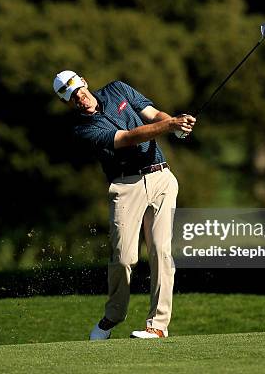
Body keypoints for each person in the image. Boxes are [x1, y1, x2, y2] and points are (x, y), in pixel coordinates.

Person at [52, 70, 196, 339]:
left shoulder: (118, 89)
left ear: (84, 81)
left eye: (79, 90)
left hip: (162, 177)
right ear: (67, 102)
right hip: (126, 186)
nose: (80, 98)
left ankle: (158, 325)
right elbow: (129, 138)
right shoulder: (84, 130)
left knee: (161, 251)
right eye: (73, 98)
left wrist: (175, 126)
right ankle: (113, 316)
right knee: (123, 257)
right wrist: (171, 126)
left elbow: (153, 115)